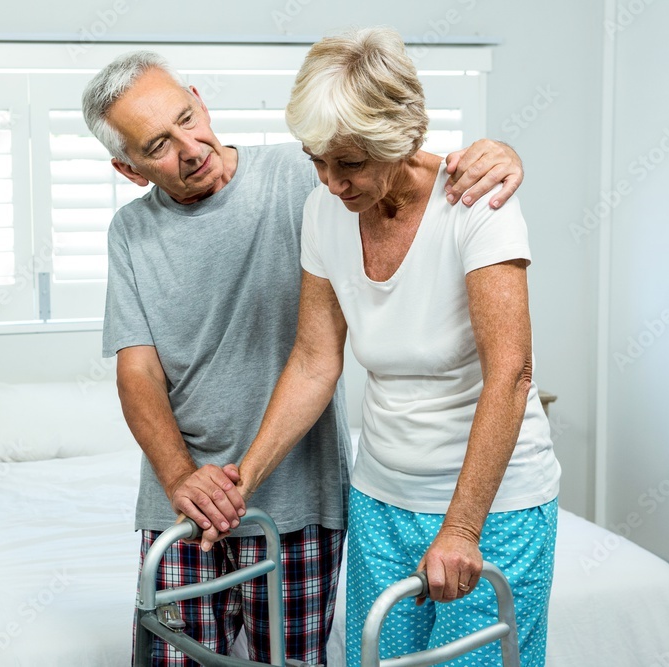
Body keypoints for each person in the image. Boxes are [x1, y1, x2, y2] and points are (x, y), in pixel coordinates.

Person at [80, 49, 525, 666]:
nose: (189, 147)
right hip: (182, 499)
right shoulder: (133, 233)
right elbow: (139, 372)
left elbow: (398, 155)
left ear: (200, 99)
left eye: (187, 117)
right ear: (130, 170)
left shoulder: (305, 174)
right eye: (157, 144)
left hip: (301, 498)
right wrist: (183, 476)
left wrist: (495, 153)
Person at [234, 27, 561, 667]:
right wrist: (243, 480)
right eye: (316, 160)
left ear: (403, 139)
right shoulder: (323, 213)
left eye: (350, 163)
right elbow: (314, 360)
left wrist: (462, 528)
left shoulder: (475, 205)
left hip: (491, 505)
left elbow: (511, 373)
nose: (331, 182)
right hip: (381, 494)